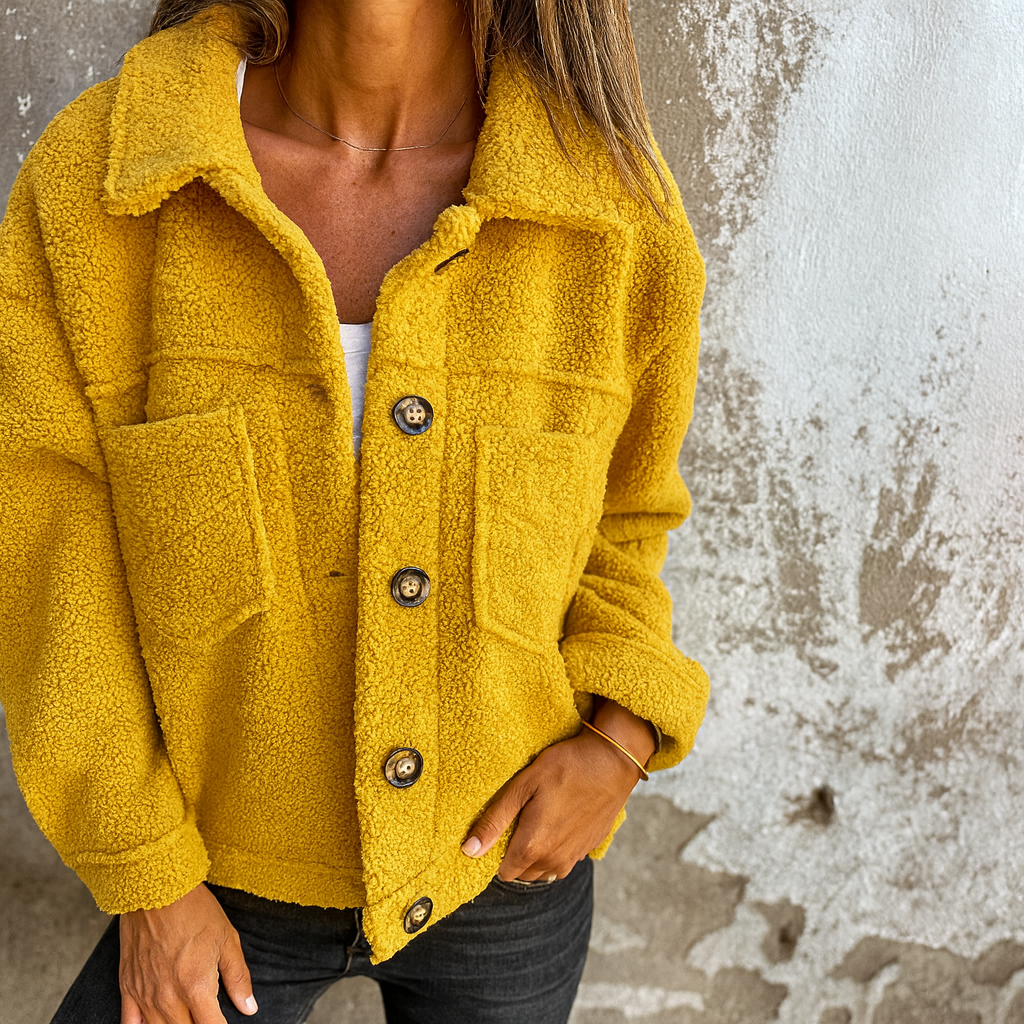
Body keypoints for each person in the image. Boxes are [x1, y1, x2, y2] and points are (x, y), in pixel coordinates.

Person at [0, 0, 709, 1020]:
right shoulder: (109, 183)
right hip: (207, 881)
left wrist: (620, 742)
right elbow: (46, 563)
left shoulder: (608, 209)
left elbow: (628, 520)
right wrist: (147, 878)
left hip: (504, 870)